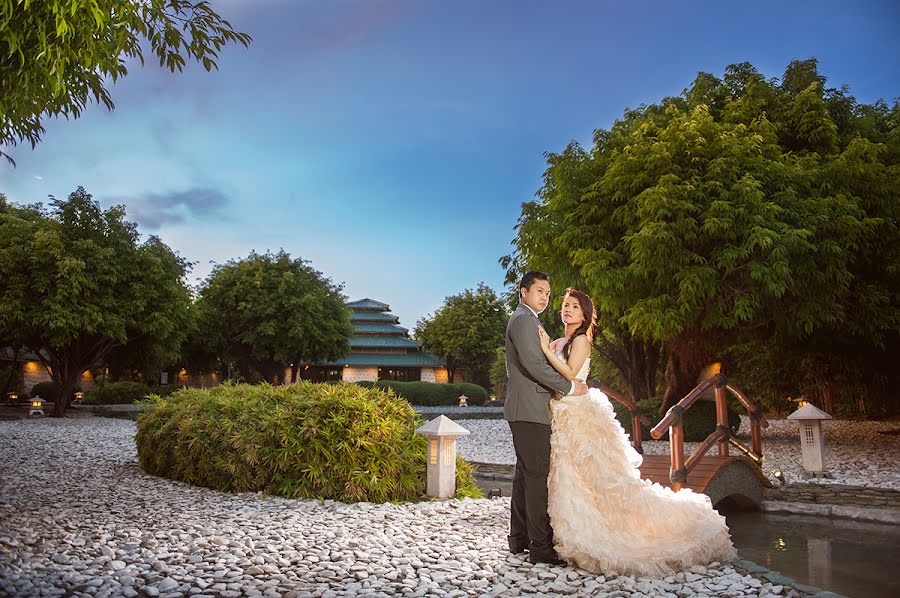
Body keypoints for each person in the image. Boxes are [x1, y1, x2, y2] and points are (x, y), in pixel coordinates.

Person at [538, 287, 737, 576]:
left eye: (575, 307)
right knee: (570, 473)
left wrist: (546, 350)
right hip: (561, 411)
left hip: (578, 414)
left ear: (585, 315)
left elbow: (569, 373)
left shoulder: (581, 340)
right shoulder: (560, 340)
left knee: (592, 475)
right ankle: (566, 528)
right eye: (565, 305)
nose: (567, 310)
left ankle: (604, 530)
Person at [504, 271, 589, 566]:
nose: (544, 297)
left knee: (525, 475)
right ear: (523, 292)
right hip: (529, 409)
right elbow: (534, 364)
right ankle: (540, 547)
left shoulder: (528, 320)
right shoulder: (524, 320)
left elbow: (539, 362)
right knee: (537, 476)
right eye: (539, 291)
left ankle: (518, 539)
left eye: (548, 294)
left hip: (529, 409)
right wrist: (569, 387)